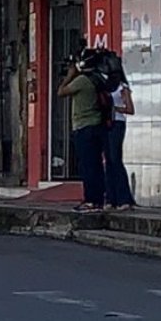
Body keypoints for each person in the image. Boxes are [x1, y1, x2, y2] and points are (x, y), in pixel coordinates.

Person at [59, 57, 108, 212]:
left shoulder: (82, 80)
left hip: (84, 127)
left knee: (87, 166)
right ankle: (98, 200)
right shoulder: (98, 79)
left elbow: (61, 92)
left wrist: (69, 75)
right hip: (97, 125)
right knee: (96, 165)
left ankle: (91, 200)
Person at [106, 66, 136, 210]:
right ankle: (111, 198)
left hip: (117, 122)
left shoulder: (122, 87)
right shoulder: (105, 85)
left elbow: (130, 109)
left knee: (115, 159)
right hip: (107, 123)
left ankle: (124, 198)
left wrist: (115, 108)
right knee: (108, 162)